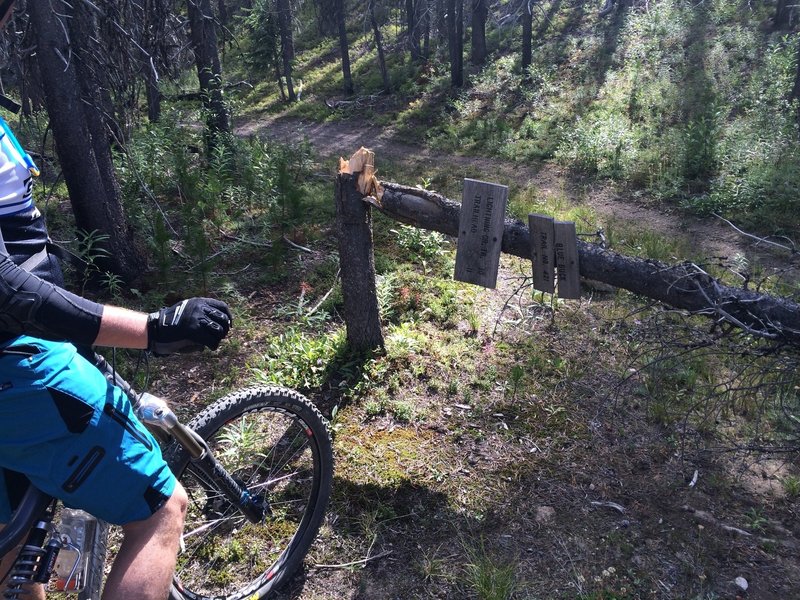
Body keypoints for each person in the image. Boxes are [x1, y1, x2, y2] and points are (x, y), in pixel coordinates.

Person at [0, 2, 232, 598]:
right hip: (15, 362)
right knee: (161, 510)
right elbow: (7, 291)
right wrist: (153, 327)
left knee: (17, 542)